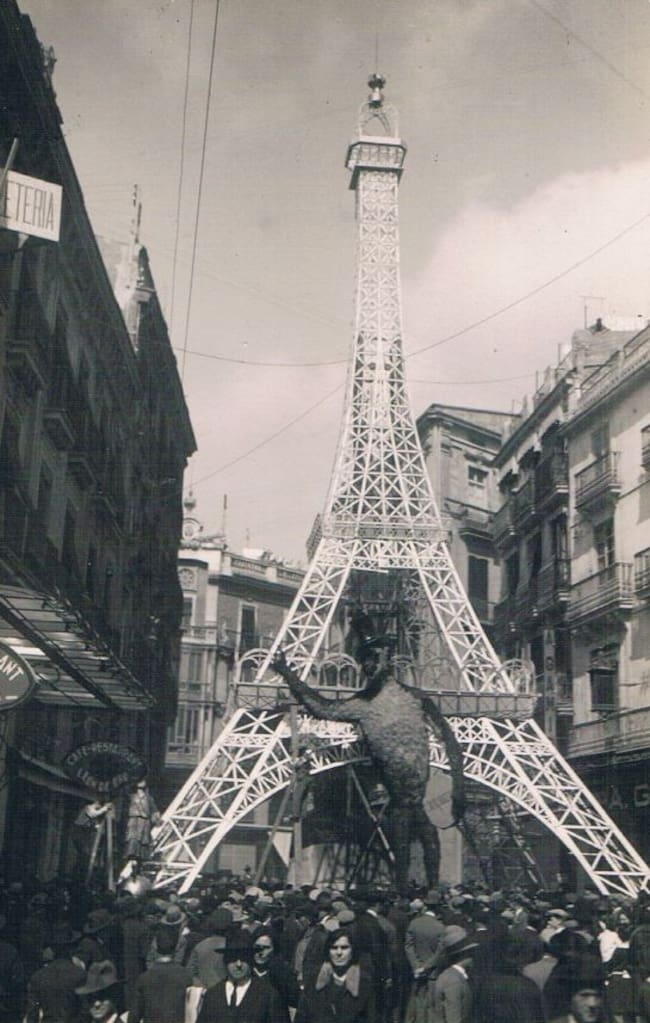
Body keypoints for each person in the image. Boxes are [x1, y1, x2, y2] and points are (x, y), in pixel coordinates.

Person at [196, 930, 285, 1023]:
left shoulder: (268, 995)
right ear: (225, 961)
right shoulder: (213, 995)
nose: (238, 964)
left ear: (251, 960)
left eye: (244, 958)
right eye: (233, 958)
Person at [295, 928, 375, 1023]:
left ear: (353, 951)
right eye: (334, 948)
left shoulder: (364, 984)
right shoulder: (313, 983)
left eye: (344, 948)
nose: (339, 953)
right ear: (328, 951)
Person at [129, 924, 192, 1023]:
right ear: (176, 947)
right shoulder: (186, 976)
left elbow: (134, 1016)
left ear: (156, 946)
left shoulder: (144, 978)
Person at [251, 928, 300, 1022]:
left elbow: (296, 1000)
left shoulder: (283, 973)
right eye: (257, 946)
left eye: (266, 947)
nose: (261, 952)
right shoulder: (245, 971)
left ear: (274, 949)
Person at [124, 780, 161, 864]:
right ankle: (132, 858)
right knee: (133, 838)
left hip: (144, 822)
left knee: (143, 841)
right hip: (134, 821)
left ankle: (139, 862)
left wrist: (157, 818)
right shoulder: (131, 796)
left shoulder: (148, 798)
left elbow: (154, 810)